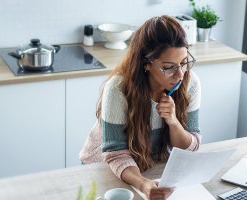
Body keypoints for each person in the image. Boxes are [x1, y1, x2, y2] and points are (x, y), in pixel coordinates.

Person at [79, 15, 201, 200]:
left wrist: (174, 122)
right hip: (104, 169)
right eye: (168, 67)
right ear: (146, 64)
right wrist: (143, 183)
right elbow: (116, 154)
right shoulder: (118, 88)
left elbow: (190, 148)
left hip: (149, 166)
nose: (180, 74)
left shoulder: (190, 83)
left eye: (184, 63)